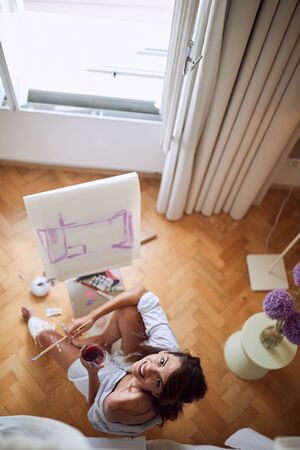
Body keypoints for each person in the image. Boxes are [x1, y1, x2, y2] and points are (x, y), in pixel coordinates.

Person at [22, 287, 207, 436]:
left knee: (47, 336)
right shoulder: (168, 349)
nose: (149, 367)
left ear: (158, 395)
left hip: (103, 381)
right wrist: (92, 316)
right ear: (169, 352)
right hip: (126, 365)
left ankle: (32, 320)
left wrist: (93, 373)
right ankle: (103, 341)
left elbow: (93, 411)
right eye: (162, 361)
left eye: (158, 381)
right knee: (128, 311)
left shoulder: (121, 402)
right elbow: (142, 295)